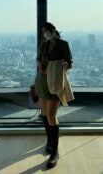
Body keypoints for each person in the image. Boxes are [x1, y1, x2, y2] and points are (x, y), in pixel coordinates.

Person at [35, 22, 73, 169]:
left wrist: (56, 68)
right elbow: (38, 59)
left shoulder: (63, 44)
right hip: (42, 81)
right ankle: (49, 142)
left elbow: (69, 63)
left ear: (53, 30)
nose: (45, 33)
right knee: (44, 113)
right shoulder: (43, 45)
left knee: (51, 114)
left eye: (47, 31)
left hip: (55, 81)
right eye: (43, 32)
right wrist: (41, 67)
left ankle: (55, 152)